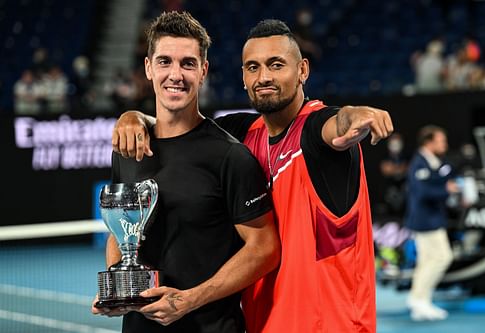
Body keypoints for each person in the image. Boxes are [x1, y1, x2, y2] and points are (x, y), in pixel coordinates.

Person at [112, 19, 393, 332]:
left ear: (302, 70)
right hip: (265, 324)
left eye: (276, 65)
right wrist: (132, 117)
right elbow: (179, 125)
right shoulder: (244, 132)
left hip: (330, 324)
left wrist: (358, 116)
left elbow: (337, 127)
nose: (264, 77)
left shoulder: (315, 131)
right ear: (243, 77)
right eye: (253, 67)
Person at [91, 11, 281, 333]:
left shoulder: (230, 156)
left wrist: (188, 300)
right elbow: (121, 232)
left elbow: (265, 248)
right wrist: (122, 287)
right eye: (164, 62)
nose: (175, 75)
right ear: (149, 68)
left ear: (203, 70)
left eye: (187, 63)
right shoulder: (129, 147)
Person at [405, 125, 458, 321]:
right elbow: (423, 193)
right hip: (426, 221)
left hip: (433, 218)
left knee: (426, 261)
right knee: (442, 258)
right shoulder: (419, 163)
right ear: (428, 143)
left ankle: (420, 301)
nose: (444, 144)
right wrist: (448, 190)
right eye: (440, 141)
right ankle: (418, 299)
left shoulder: (434, 162)